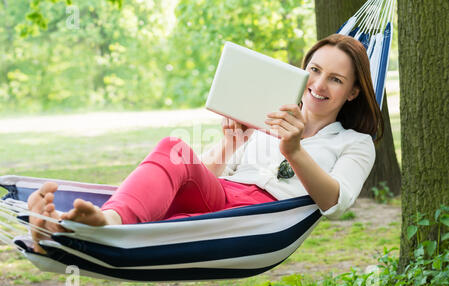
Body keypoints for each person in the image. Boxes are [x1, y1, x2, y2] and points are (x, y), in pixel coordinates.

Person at [27, 34, 383, 254]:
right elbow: (202, 176)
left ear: (353, 92)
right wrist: (232, 141)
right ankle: (70, 224)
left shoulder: (356, 143)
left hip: (260, 218)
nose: (319, 85)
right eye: (315, 70)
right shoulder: (268, 113)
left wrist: (295, 150)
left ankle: (82, 225)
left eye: (335, 79)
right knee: (173, 149)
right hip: (220, 198)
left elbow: (335, 203)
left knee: (165, 186)